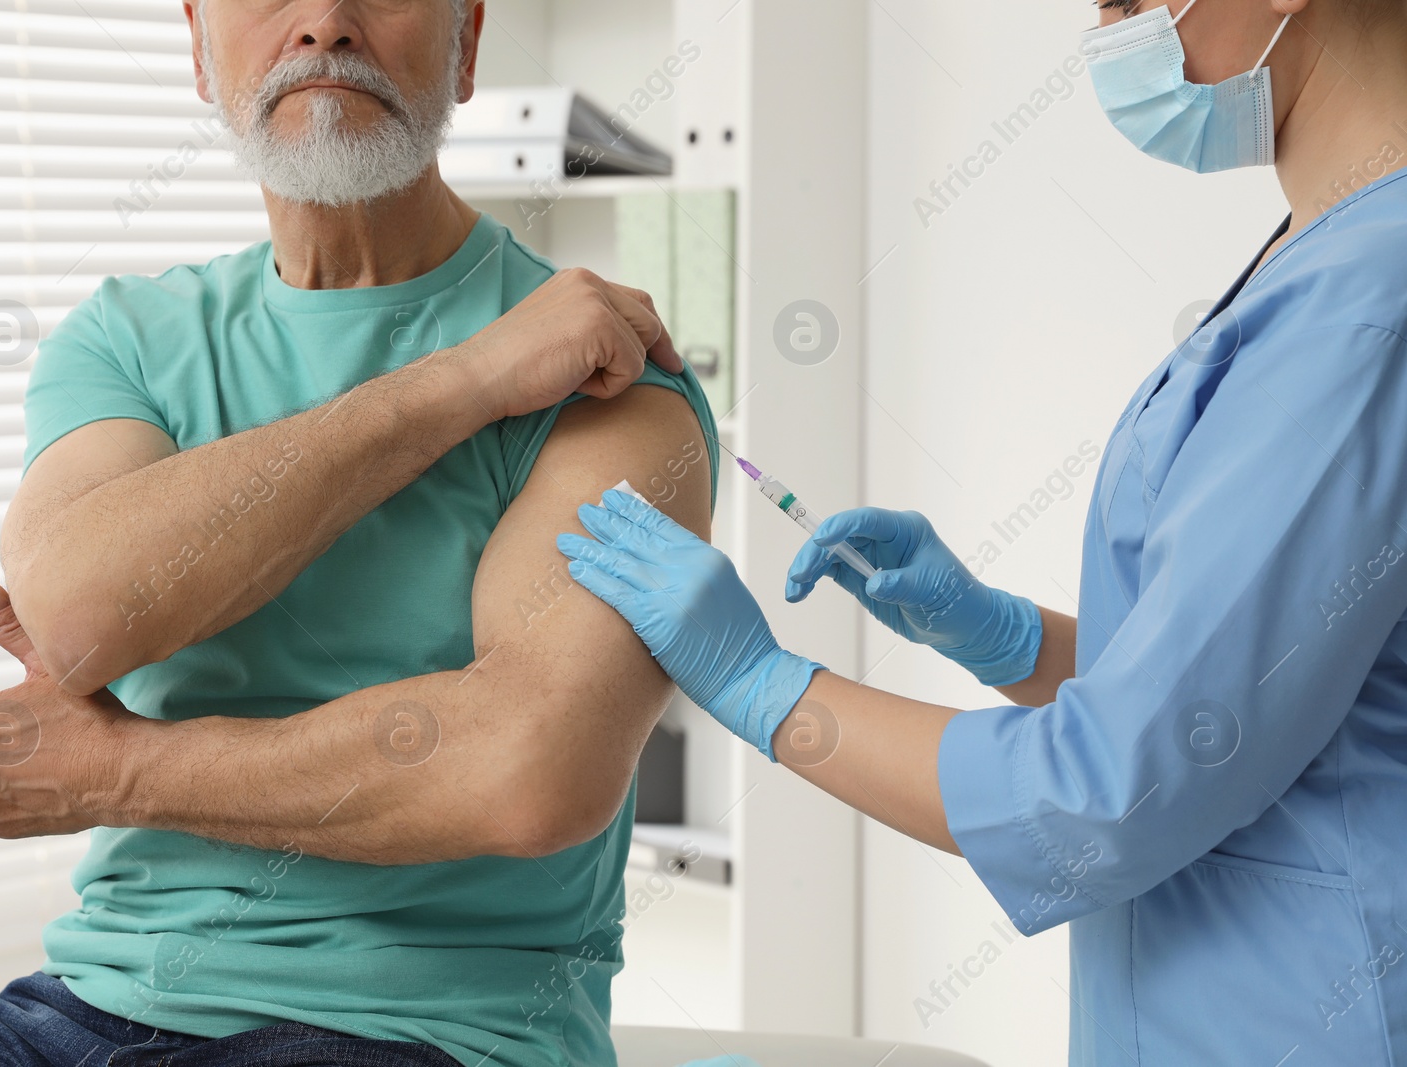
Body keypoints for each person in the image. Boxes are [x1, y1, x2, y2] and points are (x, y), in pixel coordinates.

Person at [559, 0, 1407, 1063]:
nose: (1105, 37)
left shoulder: (1365, 305)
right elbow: (1240, 697)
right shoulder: (1318, 256)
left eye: (1127, 5)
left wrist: (766, 686)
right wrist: (1004, 636)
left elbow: (1111, 791)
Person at [0, 1, 719, 1066]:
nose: (324, 23)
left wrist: (114, 773)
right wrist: (463, 381)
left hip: (424, 1032)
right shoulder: (131, 338)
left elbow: (527, 772)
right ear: (200, 46)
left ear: (466, 44)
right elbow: (77, 613)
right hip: (85, 1006)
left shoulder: (607, 375)